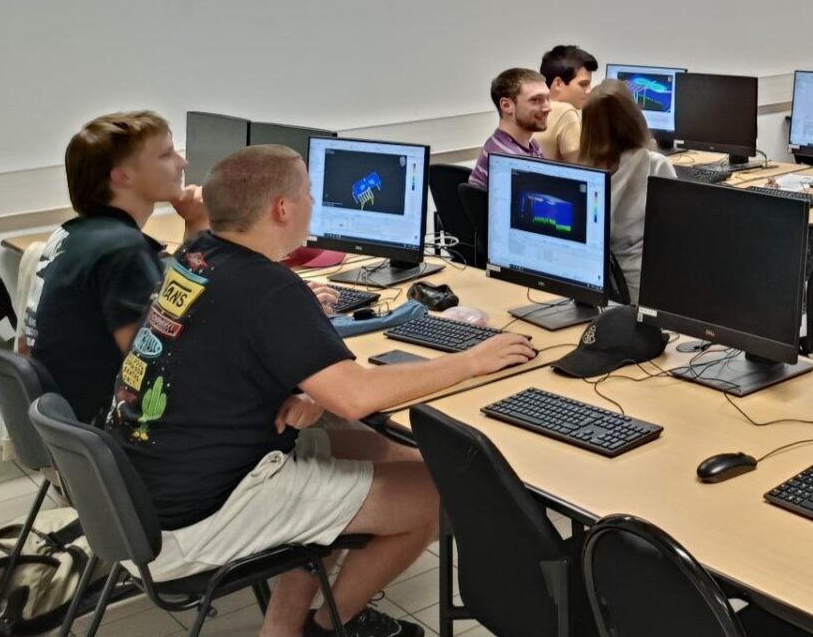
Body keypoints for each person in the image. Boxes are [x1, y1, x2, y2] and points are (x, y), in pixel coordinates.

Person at [108, 145, 539, 637]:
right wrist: (471, 361)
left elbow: (223, 348)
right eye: (308, 193)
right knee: (441, 490)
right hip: (200, 514)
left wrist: (311, 385)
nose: (314, 202)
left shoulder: (198, 256)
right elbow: (355, 397)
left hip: (145, 491)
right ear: (282, 209)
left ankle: (285, 629)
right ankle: (332, 626)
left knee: (389, 448)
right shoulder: (268, 288)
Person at [25, 111, 210, 423]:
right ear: (122, 175)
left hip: (67, 424)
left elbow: (168, 303)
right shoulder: (123, 251)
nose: (182, 163)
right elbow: (152, 363)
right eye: (166, 154)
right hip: (109, 427)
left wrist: (194, 226)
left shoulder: (74, 234)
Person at [573, 79, 678, 304]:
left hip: (600, 287)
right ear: (634, 117)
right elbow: (677, 233)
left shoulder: (584, 172)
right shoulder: (655, 165)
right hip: (643, 286)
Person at [469, 67, 552, 187]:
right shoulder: (509, 162)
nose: (548, 108)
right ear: (507, 106)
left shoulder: (530, 144)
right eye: (536, 100)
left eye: (548, 98)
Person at [536, 45, 597, 164]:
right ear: (558, 83)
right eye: (583, 84)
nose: (589, 90)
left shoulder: (532, 107)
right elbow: (581, 171)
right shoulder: (566, 112)